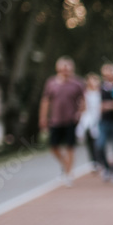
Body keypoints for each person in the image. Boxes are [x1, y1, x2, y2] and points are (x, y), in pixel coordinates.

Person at [38, 55, 85, 186]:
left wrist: (79, 112)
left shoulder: (77, 83)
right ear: (58, 68)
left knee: (70, 147)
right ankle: (66, 165)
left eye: (67, 66)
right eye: (63, 66)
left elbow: (83, 100)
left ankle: (68, 174)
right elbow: (46, 101)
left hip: (70, 120)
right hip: (55, 120)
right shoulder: (51, 82)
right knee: (54, 147)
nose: (65, 69)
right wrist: (43, 117)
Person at [96, 63, 113, 182]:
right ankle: (107, 168)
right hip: (104, 121)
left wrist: (110, 106)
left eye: (111, 72)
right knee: (100, 145)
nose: (109, 75)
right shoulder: (100, 87)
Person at [76, 72, 103, 172]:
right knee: (91, 142)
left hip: (100, 119)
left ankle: (101, 160)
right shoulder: (85, 93)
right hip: (88, 120)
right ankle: (94, 161)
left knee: (100, 143)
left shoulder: (101, 93)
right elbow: (82, 107)